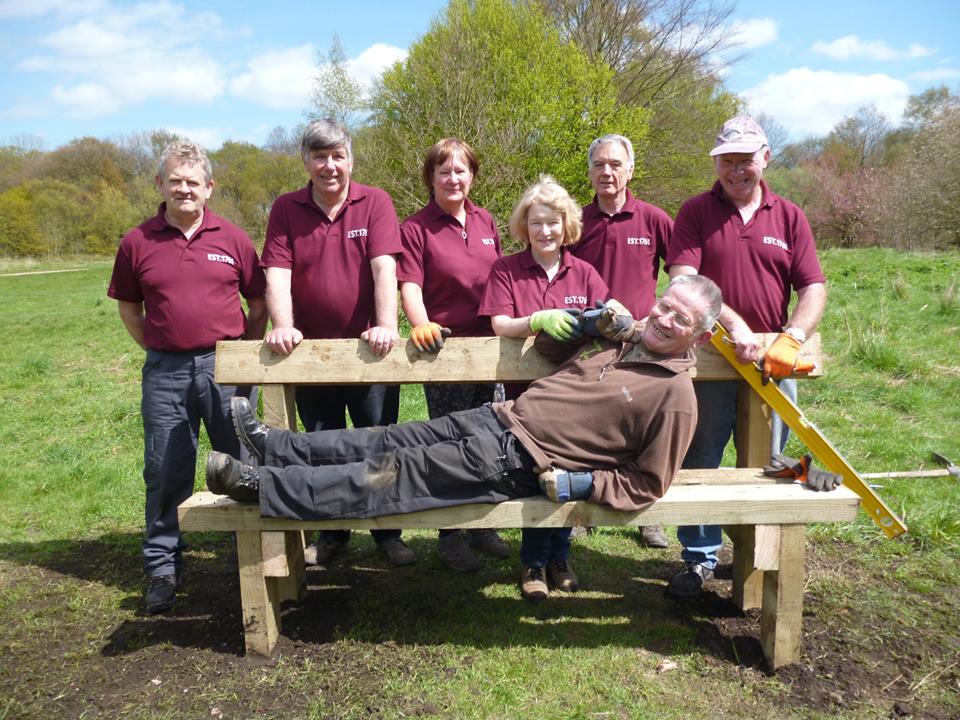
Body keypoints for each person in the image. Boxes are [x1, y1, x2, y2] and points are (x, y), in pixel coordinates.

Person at [206, 276, 726, 601]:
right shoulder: (626, 338)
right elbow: (546, 351)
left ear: (700, 336)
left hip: (518, 459)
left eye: (680, 319)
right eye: (663, 306)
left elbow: (648, 482)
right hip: (497, 417)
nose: (662, 319)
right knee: (385, 440)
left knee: (391, 477)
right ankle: (275, 447)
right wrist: (590, 324)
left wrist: (579, 485)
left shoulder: (676, 396)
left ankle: (264, 487)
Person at [665, 115, 828, 598]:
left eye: (746, 160)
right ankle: (698, 559)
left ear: (766, 158)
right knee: (702, 458)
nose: (737, 170)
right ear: (717, 163)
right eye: (727, 161)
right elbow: (682, 278)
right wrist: (732, 325)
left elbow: (813, 285)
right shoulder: (696, 210)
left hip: (771, 361)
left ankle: (763, 555)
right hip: (711, 355)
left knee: (775, 460)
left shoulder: (789, 216)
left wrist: (793, 336)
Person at [107, 140, 268, 614]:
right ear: (159, 184)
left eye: (193, 182)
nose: (184, 188)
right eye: (175, 180)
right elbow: (129, 308)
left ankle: (251, 557)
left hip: (227, 367)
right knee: (165, 467)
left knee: (243, 463)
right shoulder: (137, 242)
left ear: (209, 188)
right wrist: (162, 347)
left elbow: (257, 305)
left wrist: (239, 354)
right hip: (167, 372)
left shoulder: (234, 238)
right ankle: (162, 564)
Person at [259, 119, 412, 567]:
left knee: (378, 442)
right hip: (311, 356)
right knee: (323, 443)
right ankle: (333, 535)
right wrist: (283, 326)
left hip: (370, 352)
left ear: (351, 160)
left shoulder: (375, 202)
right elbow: (278, 274)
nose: (330, 166)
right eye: (320, 157)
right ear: (306, 162)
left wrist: (387, 324)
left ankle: (387, 533)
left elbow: (385, 268)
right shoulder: (286, 208)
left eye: (337, 156)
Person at [478, 175, 609, 601]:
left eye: (553, 222)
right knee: (534, 474)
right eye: (536, 222)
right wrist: (536, 320)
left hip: (573, 396)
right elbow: (499, 323)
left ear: (566, 224)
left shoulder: (585, 272)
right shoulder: (506, 270)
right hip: (526, 398)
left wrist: (610, 314)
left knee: (568, 472)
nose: (545, 231)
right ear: (524, 226)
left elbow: (602, 319)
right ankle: (533, 562)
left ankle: (560, 556)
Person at [398, 138, 510, 572]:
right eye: (443, 171)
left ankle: (484, 524)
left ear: (472, 176)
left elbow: (500, 277)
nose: (453, 178)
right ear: (431, 178)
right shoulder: (416, 228)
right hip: (443, 350)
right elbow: (410, 284)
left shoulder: (486, 221)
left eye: (461, 170)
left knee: (493, 436)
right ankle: (450, 534)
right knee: (449, 441)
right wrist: (420, 323)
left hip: (490, 348)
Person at [572, 133, 676, 549]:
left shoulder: (653, 219)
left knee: (643, 425)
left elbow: (683, 272)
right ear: (590, 172)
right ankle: (584, 510)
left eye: (615, 164)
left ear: (630, 170)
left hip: (641, 342)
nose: (607, 172)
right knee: (589, 424)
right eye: (599, 165)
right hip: (589, 342)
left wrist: (660, 315)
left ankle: (646, 515)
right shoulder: (576, 222)